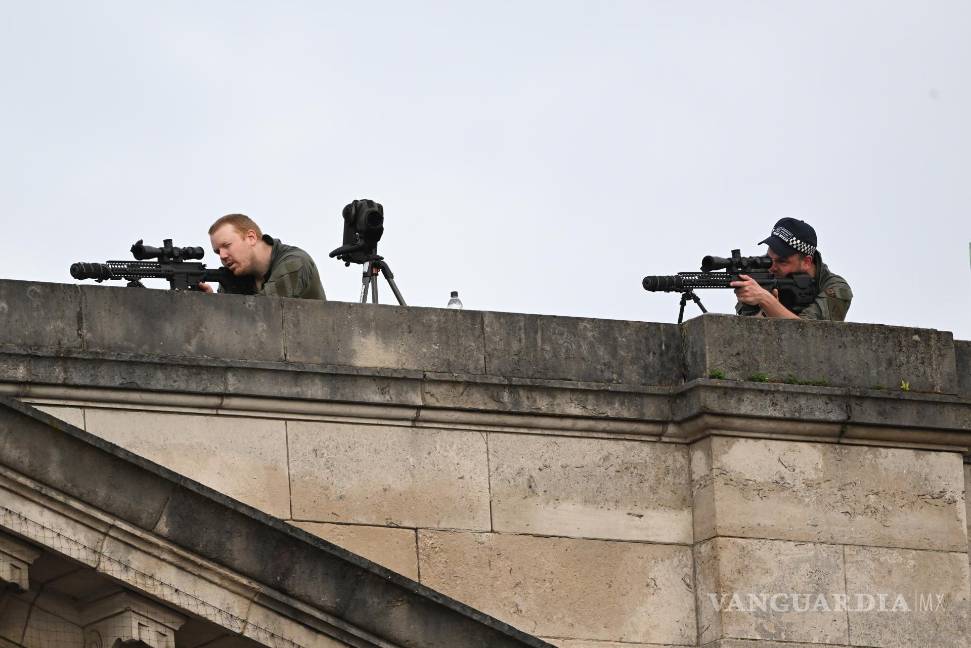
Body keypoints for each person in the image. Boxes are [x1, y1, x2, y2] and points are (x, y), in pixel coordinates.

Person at [731, 218, 851, 321]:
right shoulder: (760, 273)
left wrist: (766, 300)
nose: (772, 267)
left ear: (806, 262)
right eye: (769, 258)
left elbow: (808, 332)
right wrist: (764, 310)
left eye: (782, 261)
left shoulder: (836, 288)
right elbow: (748, 330)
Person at [200, 214, 326, 300]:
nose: (222, 256)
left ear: (251, 238)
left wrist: (218, 305)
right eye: (217, 252)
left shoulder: (295, 262)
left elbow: (262, 311)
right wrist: (210, 301)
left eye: (227, 245)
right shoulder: (234, 274)